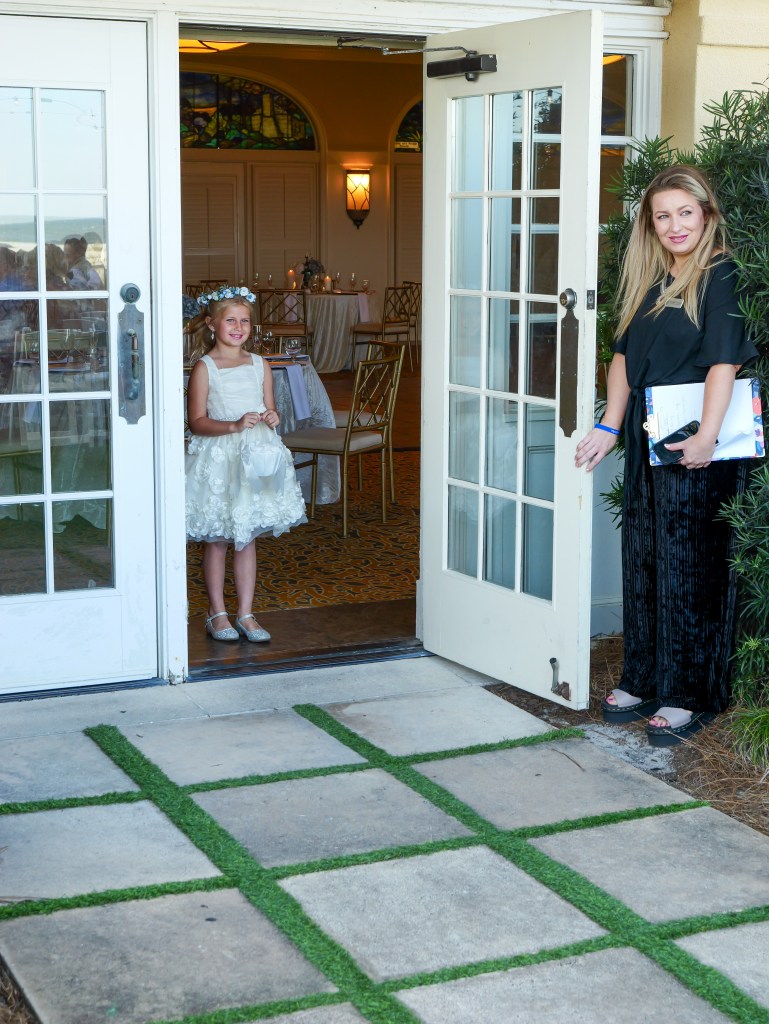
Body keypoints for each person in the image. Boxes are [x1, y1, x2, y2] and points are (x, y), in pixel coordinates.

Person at [575, 165, 758, 746]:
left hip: (698, 442)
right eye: (663, 216)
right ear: (650, 225)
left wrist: (707, 436)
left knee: (691, 572)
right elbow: (622, 358)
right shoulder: (652, 279)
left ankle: (690, 695)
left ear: (706, 214)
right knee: (645, 561)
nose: (675, 225)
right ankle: (645, 677)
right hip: (646, 436)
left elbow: (725, 362)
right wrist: (609, 425)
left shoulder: (720, 273)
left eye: (685, 212)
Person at [185, 286, 306, 642]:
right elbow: (197, 422)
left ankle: (246, 613)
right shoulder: (205, 368)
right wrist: (234, 426)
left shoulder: (260, 364)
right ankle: (217, 612)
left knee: (247, 536)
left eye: (245, 321)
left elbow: (270, 407)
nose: (239, 328)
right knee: (218, 539)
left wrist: (272, 415)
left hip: (256, 456)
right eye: (230, 321)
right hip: (220, 459)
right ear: (212, 324)